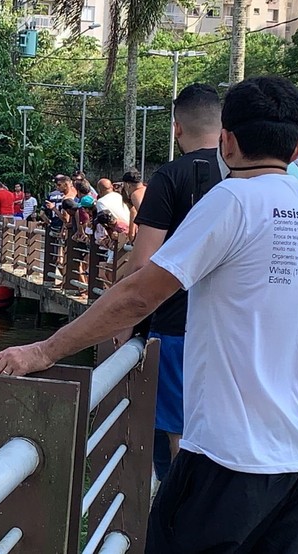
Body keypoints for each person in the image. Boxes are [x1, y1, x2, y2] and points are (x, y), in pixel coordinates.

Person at [0, 76, 298, 553]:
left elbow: (140, 294)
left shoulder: (233, 200)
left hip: (233, 457)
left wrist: (44, 349)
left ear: (228, 140)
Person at [121, 83, 223, 481]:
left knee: (178, 434)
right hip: (229, 328)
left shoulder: (170, 177)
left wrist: (124, 321)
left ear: (177, 127)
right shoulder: (245, 178)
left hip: (176, 325)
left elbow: (143, 263)